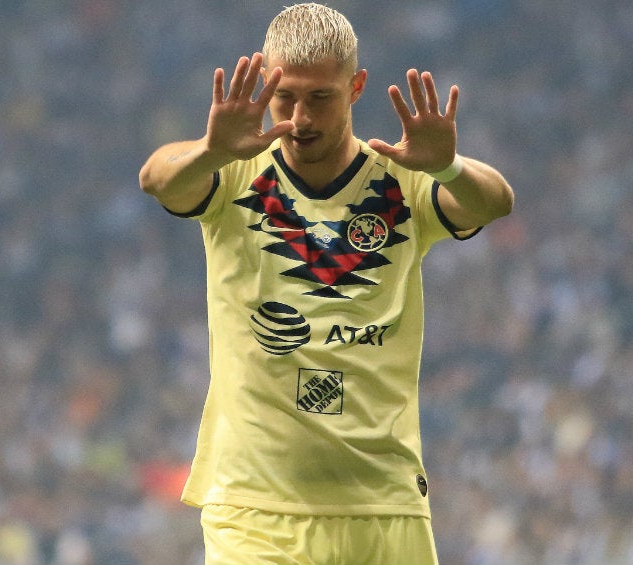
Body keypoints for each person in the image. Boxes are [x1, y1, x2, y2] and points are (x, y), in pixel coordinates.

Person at [138, 3, 513, 563]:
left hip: (383, 504)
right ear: (266, 81)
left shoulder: (403, 181)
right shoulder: (233, 174)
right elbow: (158, 179)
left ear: (356, 86)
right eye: (285, 97)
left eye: (320, 98)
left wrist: (448, 166)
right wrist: (212, 149)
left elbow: (495, 201)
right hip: (254, 508)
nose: (301, 118)